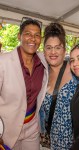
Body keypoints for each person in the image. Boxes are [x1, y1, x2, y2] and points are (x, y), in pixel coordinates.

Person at [0, 17, 48, 150]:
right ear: (19, 36)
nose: (32, 39)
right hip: (7, 129)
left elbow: (61, 62)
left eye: (37, 35)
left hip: (32, 127)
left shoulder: (43, 61)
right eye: (28, 34)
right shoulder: (3, 62)